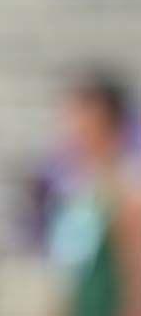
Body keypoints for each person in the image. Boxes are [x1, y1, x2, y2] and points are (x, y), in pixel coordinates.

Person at [30, 68, 141, 316]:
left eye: (78, 112)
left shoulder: (128, 193)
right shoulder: (77, 189)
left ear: (103, 118)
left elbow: (136, 287)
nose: (68, 123)